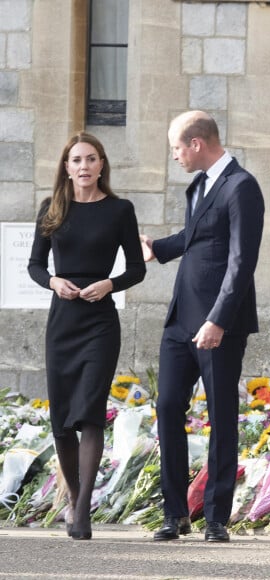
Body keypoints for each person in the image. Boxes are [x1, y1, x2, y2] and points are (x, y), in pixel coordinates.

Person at [140, 110, 264, 543]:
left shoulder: (242, 186)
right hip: (180, 321)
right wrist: (159, 248)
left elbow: (240, 261)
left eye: (177, 147)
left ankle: (216, 516)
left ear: (196, 143)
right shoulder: (199, 185)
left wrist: (218, 319)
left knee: (221, 416)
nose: (174, 156)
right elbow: (199, 238)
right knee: (169, 407)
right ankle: (175, 514)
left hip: (217, 324)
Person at [28, 133, 146, 540]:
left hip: (100, 321)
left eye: (91, 159)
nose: (83, 166)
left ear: (101, 165)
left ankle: (81, 514)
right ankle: (77, 496)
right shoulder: (52, 208)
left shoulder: (119, 210)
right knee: (61, 420)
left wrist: (109, 285)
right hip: (63, 319)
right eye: (76, 160)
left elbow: (136, 268)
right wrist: (53, 281)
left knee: (90, 412)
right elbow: (35, 266)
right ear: (66, 167)